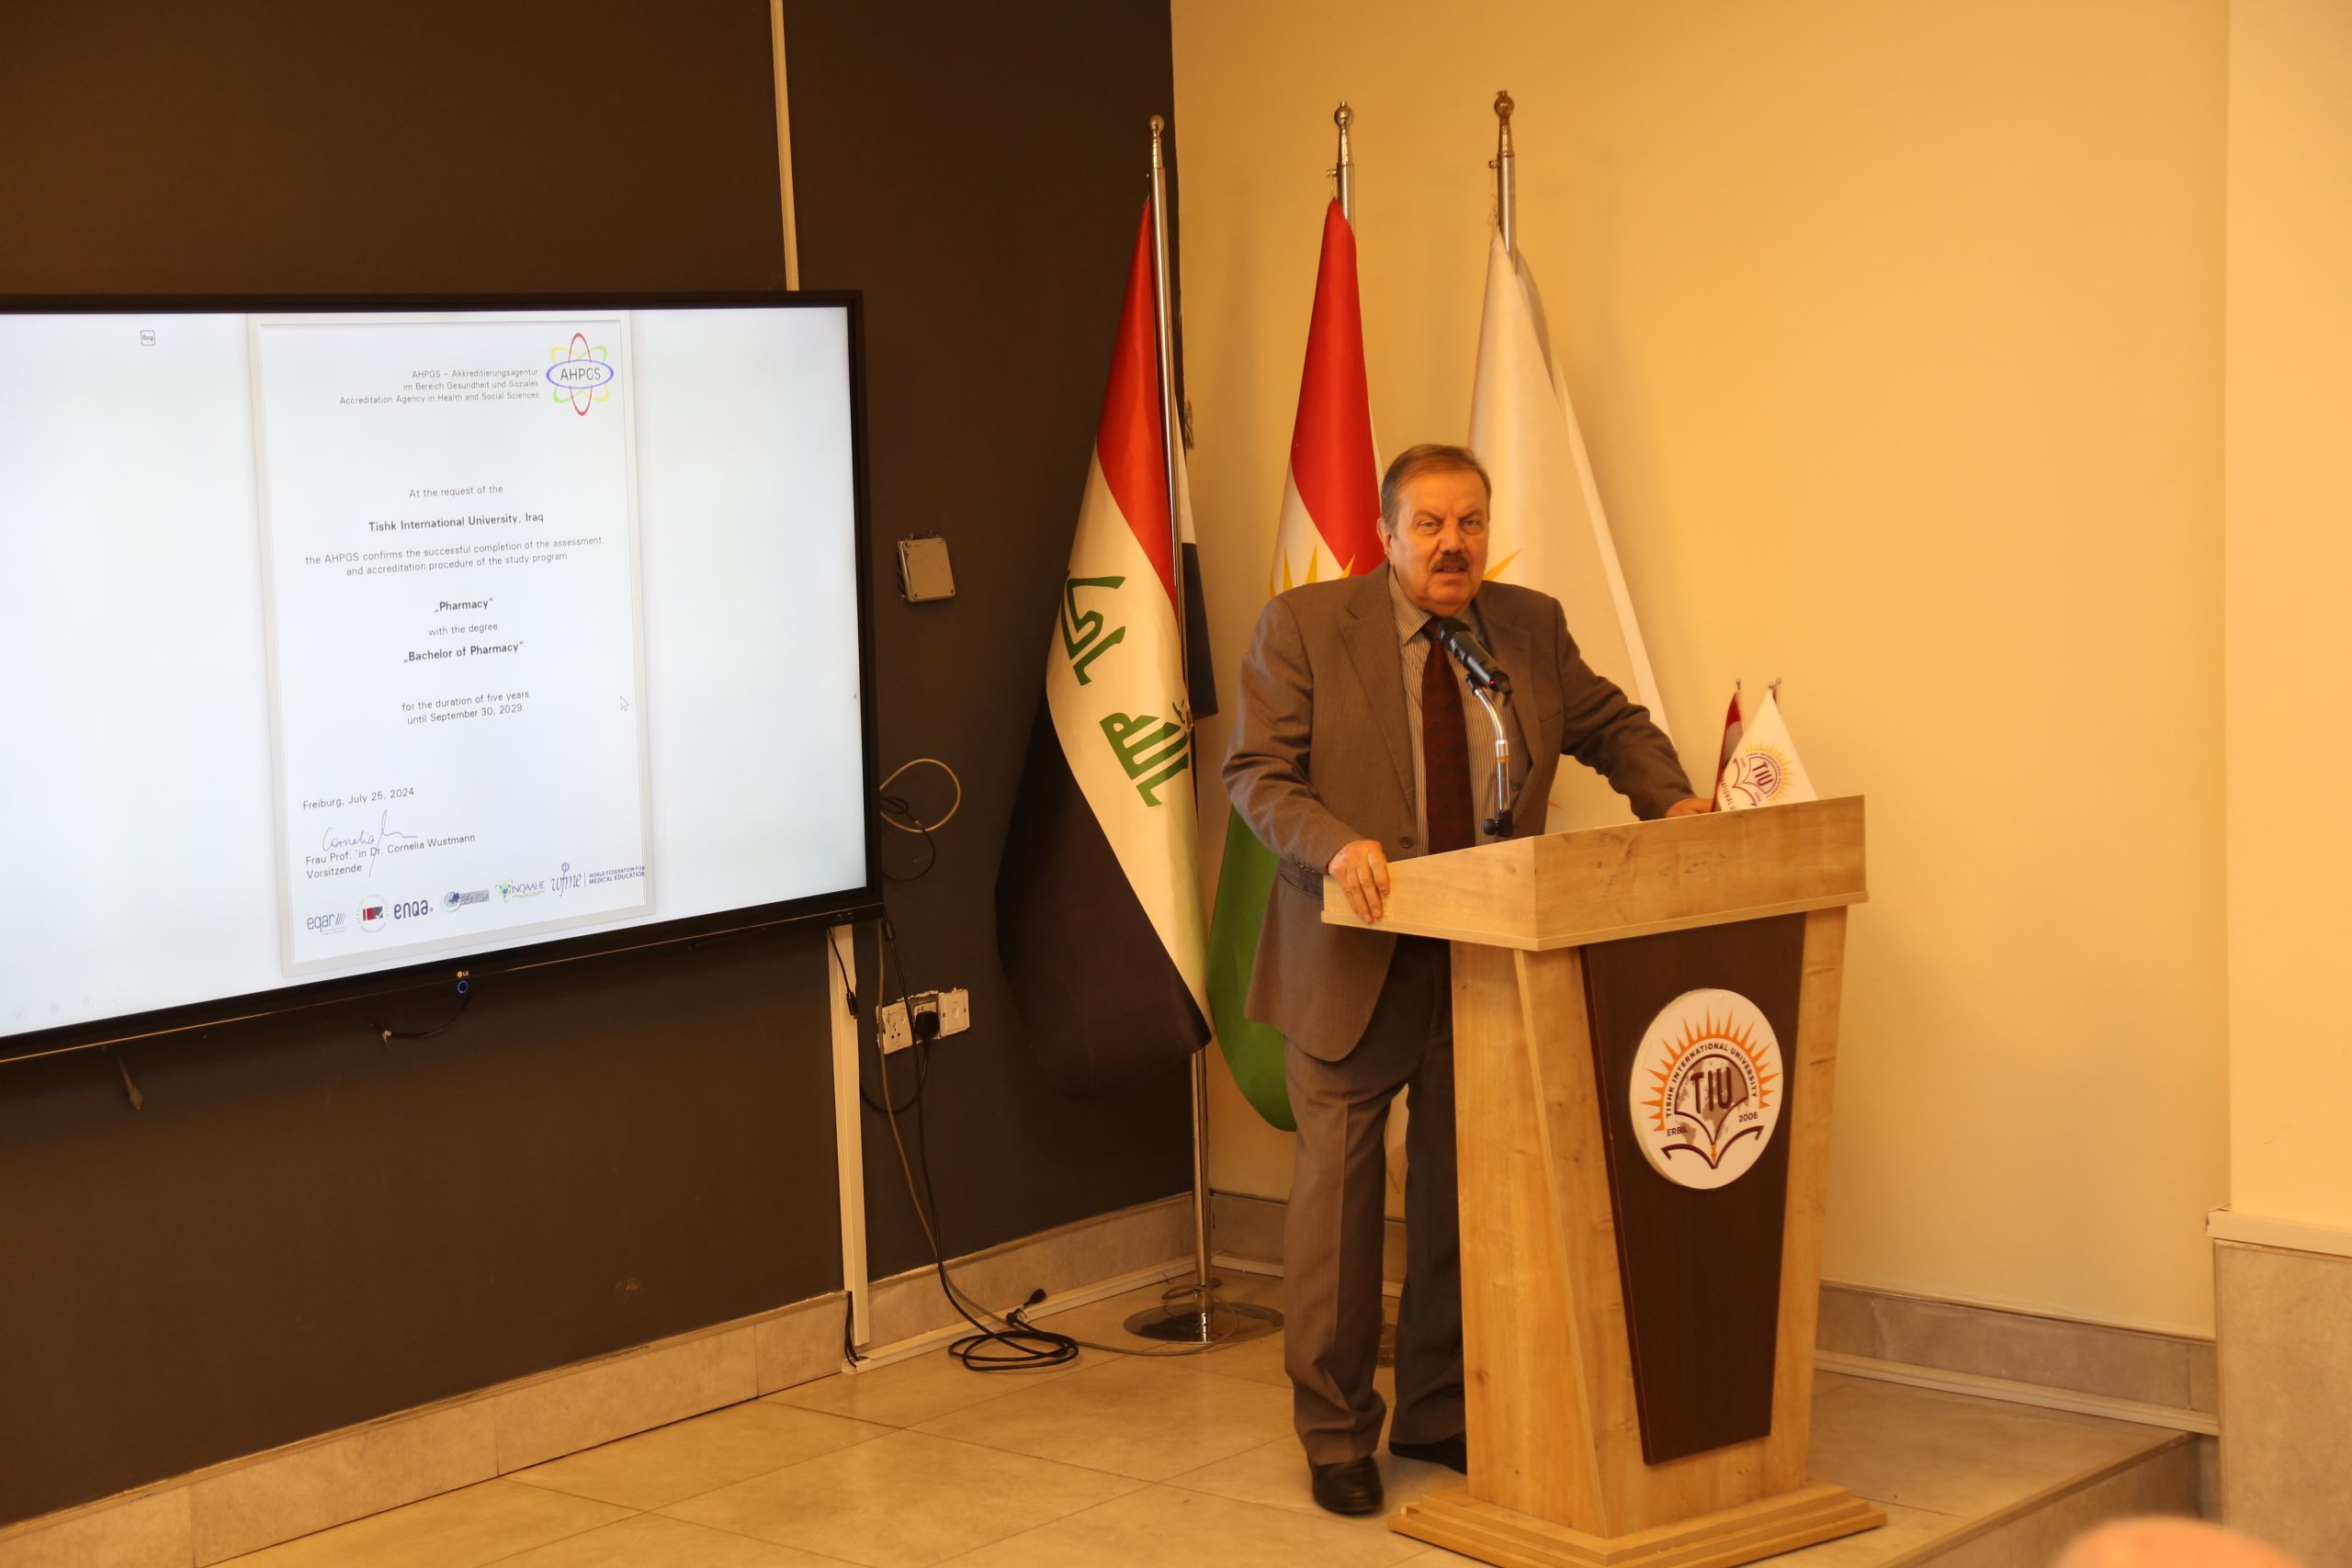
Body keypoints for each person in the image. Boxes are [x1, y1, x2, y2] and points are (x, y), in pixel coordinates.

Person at [1223, 442, 1708, 1517]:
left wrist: (1670, 803)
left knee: (1457, 1197)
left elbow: (1610, 725)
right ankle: (1336, 1434)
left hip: (1484, 959)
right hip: (1352, 958)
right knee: (1341, 1212)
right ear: (1386, 535)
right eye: (1430, 524)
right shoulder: (1303, 626)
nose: (1453, 544)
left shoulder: (1527, 626)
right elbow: (1257, 774)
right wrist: (1335, 846)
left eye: (1471, 522)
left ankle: (1439, 1409)